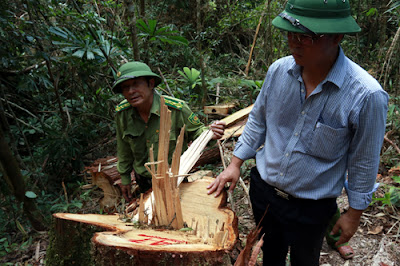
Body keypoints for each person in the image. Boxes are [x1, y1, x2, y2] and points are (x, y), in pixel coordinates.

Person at [207, 0, 388, 265]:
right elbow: (258, 119)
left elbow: (364, 160)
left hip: (312, 206)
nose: (295, 43)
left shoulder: (365, 95)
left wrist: (354, 213)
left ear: (337, 37)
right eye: (291, 34)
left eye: (307, 37)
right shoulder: (279, 71)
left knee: (305, 259)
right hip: (265, 192)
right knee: (271, 253)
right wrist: (235, 163)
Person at [113, 61, 225, 201]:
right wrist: (125, 178)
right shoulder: (123, 114)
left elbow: (198, 132)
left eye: (136, 84)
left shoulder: (176, 109)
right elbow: (124, 148)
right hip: (144, 180)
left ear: (151, 83)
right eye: (125, 87)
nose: (131, 91)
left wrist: (211, 132)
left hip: (175, 177)